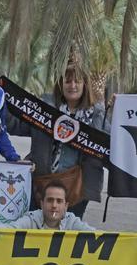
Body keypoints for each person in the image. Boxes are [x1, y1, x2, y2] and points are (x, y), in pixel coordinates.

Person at [8, 56, 108, 218]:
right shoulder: (45, 110)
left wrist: (119, 112)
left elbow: (111, 143)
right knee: (38, 229)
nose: (73, 85)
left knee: (69, 235)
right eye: (68, 81)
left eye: (77, 81)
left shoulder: (97, 115)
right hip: (43, 183)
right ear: (61, 85)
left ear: (85, 85)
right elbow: (16, 125)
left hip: (77, 188)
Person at [0, 181, 137, 240]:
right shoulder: (32, 219)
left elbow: (99, 236)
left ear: (66, 205)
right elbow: (8, 229)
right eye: (50, 201)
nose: (54, 205)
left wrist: (136, 237)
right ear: (41, 204)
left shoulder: (73, 222)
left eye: (59, 201)